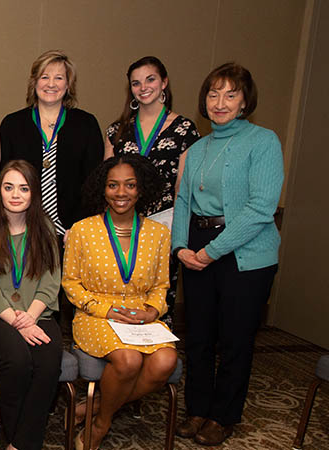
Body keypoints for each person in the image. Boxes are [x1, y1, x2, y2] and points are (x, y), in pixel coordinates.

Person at [171, 63, 282, 446]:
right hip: (198, 248)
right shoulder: (199, 147)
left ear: (245, 100)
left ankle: (223, 415)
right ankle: (197, 409)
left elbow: (261, 208)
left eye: (230, 94)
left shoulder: (263, 141)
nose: (220, 103)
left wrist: (211, 251)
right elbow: (184, 199)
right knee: (199, 337)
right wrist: (180, 247)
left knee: (235, 339)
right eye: (213, 94)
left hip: (245, 256)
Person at [63, 154, 177, 450]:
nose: (121, 193)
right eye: (113, 185)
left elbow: (161, 285)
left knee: (166, 361)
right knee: (128, 360)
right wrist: (107, 310)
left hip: (142, 317)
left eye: (130, 185)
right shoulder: (82, 231)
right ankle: (101, 424)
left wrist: (153, 310)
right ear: (103, 189)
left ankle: (98, 405)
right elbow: (71, 285)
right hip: (97, 315)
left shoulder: (159, 233)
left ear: (141, 189)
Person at [0, 160, 61, 450]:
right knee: (18, 360)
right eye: (8, 187)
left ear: (34, 192)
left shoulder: (45, 227)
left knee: (48, 363)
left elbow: (51, 281)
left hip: (38, 313)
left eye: (24, 188)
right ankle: (20, 438)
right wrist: (16, 321)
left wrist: (30, 318)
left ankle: (20, 444)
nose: (15, 194)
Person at [104, 56, 201, 327]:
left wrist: (179, 233)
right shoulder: (117, 130)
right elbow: (107, 181)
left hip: (163, 224)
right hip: (121, 224)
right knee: (119, 287)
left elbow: (184, 187)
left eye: (150, 79)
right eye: (136, 83)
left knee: (158, 293)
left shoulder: (184, 130)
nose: (143, 87)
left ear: (164, 83)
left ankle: (156, 350)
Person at [0, 50, 102, 239]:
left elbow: (94, 182)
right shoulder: (12, 124)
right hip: (22, 228)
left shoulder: (86, 124)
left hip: (71, 230)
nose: (51, 84)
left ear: (68, 84)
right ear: (34, 82)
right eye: (44, 77)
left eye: (59, 78)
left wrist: (80, 226)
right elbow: (2, 178)